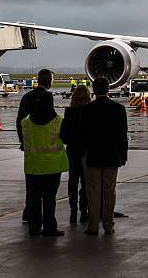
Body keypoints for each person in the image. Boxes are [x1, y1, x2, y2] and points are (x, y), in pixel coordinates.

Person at [80, 77, 128, 236]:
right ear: (109, 89)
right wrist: (123, 155)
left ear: (94, 90)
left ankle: (93, 226)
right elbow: (123, 136)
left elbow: (83, 135)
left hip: (92, 156)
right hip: (112, 156)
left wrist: (83, 154)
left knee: (93, 192)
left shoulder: (87, 109)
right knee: (110, 191)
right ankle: (109, 225)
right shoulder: (119, 109)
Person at [22, 91, 68, 236]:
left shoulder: (26, 122)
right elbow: (66, 139)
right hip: (52, 167)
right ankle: (49, 227)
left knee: (33, 198)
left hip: (32, 167)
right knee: (49, 199)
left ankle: (34, 227)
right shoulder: (59, 121)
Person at [17, 69, 54, 222]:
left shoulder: (27, 96)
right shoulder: (46, 97)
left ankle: (29, 213)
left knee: (31, 184)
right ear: (49, 81)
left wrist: (23, 141)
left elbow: (20, 121)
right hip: (45, 148)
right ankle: (45, 219)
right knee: (46, 187)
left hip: (30, 147)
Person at [60, 85, 91, 224]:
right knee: (86, 183)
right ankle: (84, 211)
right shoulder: (90, 112)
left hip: (72, 150)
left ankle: (73, 212)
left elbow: (63, 135)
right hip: (86, 151)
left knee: (72, 182)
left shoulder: (69, 112)